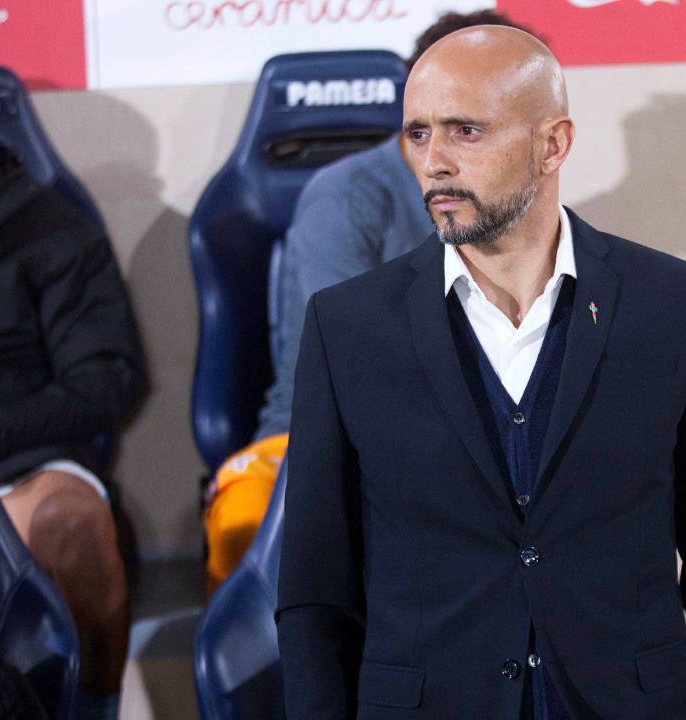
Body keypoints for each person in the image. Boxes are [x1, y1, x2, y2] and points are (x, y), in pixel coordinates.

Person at [277, 25, 686, 720]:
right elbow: (313, 595)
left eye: (465, 131)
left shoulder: (674, 305)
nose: (434, 162)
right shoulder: (348, 327)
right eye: (418, 134)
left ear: (553, 144)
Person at [203, 10, 534, 594]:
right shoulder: (347, 194)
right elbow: (348, 361)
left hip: (480, 437)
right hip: (318, 434)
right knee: (249, 526)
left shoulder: (520, 203)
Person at [0, 68, 145, 720]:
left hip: (19, 460)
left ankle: (92, 710)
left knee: (70, 529)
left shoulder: (47, 225)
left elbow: (106, 377)